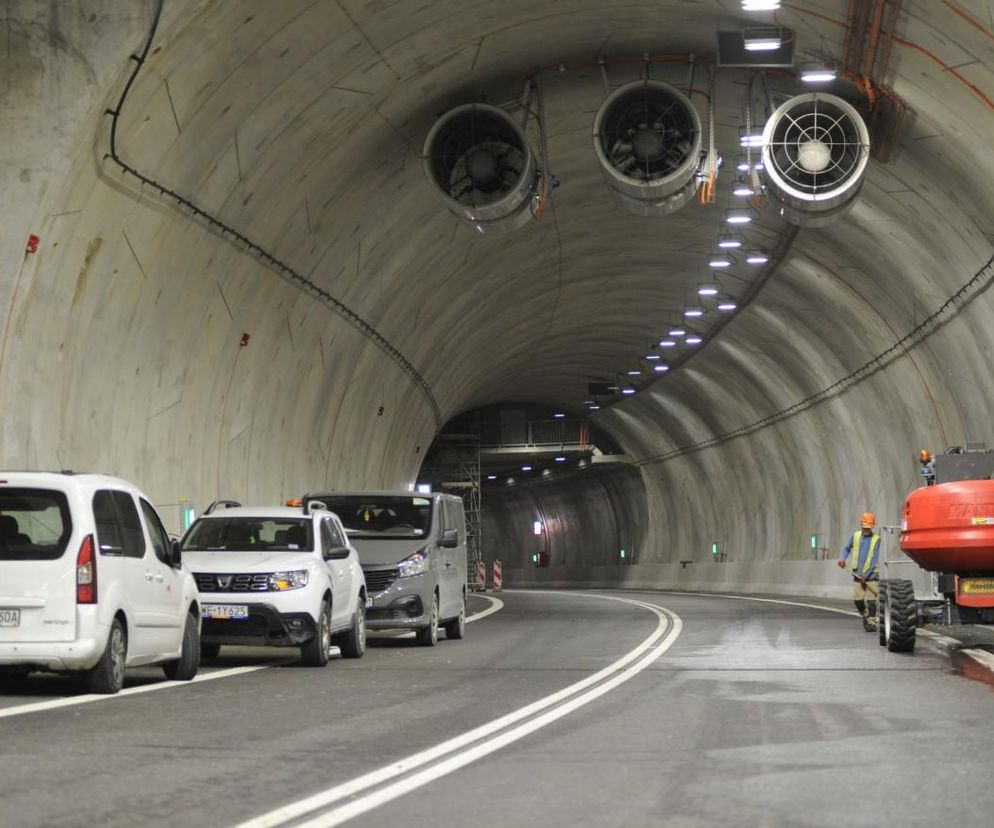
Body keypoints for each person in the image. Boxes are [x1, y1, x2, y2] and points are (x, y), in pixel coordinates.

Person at [838, 512, 881, 631]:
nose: (867, 529)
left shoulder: (876, 540)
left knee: (872, 601)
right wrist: (842, 559)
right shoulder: (855, 536)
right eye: (865, 527)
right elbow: (846, 549)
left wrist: (866, 575)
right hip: (857, 575)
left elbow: (875, 559)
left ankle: (871, 623)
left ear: (872, 526)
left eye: (869, 527)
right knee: (858, 601)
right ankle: (866, 615)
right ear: (861, 525)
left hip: (871, 575)